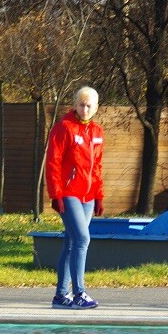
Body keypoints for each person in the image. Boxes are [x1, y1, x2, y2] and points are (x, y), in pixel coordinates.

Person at [45, 86, 104, 310]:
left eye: (89, 105)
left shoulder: (97, 132)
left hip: (87, 196)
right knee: (82, 239)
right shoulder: (64, 128)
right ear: (75, 105)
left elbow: (97, 166)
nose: (85, 109)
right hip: (68, 194)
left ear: (95, 108)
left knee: (71, 243)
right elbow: (53, 163)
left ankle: (61, 296)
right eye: (81, 104)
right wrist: (56, 194)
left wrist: (99, 195)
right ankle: (79, 292)